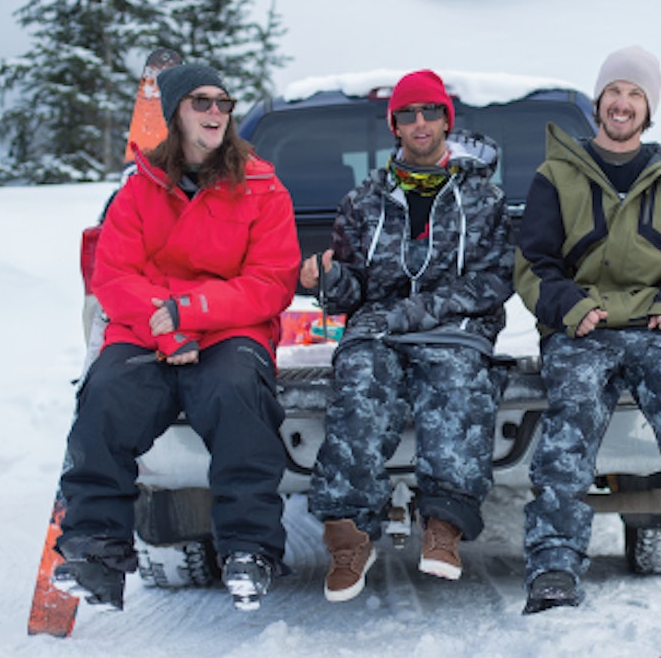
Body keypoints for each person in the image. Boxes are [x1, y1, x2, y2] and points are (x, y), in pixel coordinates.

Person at [53, 62, 301, 613]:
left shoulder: (261, 186)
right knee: (106, 394)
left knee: (239, 394)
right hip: (147, 330)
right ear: (173, 114)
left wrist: (189, 309)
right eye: (201, 102)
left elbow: (271, 281)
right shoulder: (139, 190)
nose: (216, 113)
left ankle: (249, 549)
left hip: (227, 329)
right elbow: (114, 276)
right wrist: (166, 330)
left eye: (223, 103)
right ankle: (95, 548)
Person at [513, 46, 661, 614]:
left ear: (648, 109)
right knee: (570, 424)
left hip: (656, 326)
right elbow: (532, 263)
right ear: (598, 101)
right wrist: (567, 305)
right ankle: (555, 563)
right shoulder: (556, 176)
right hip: (583, 327)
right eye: (615, 91)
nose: (623, 103)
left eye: (635, 94)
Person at [301, 69, 513, 602]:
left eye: (430, 112)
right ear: (393, 126)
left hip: (455, 331)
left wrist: (415, 312)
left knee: (459, 385)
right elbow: (354, 287)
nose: (420, 123)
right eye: (408, 114)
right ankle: (349, 535)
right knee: (358, 386)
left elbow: (493, 280)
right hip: (378, 331)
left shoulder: (484, 200)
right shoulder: (363, 202)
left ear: (448, 120)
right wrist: (327, 280)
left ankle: (443, 526)